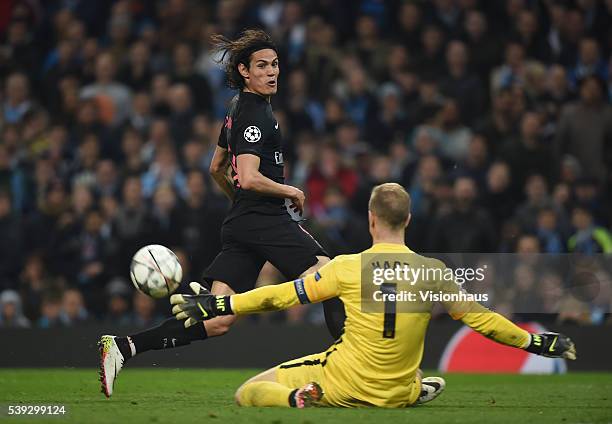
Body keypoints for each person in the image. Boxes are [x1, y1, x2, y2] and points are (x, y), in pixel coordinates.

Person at [171, 183, 577, 408]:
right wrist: (536, 342)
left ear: (370, 220)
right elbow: (480, 318)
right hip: (394, 392)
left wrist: (221, 303)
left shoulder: (347, 267)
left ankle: (297, 398)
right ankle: (414, 388)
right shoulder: (433, 272)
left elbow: (282, 297)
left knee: (249, 392)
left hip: (345, 384)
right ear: (408, 220)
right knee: (412, 375)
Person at [98, 29, 343, 398]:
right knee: (330, 277)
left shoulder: (236, 108)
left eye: (275, 64)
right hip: (267, 220)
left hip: (246, 222)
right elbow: (246, 175)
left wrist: (241, 203)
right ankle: (362, 372)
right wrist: (289, 190)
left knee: (218, 320)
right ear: (244, 70)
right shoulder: (255, 114)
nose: (272, 72)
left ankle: (124, 346)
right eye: (262, 66)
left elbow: (216, 167)